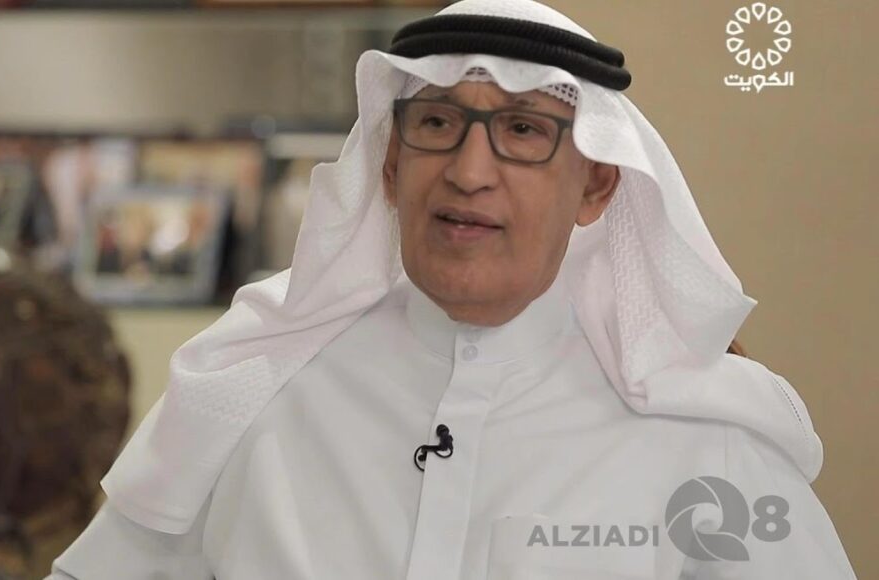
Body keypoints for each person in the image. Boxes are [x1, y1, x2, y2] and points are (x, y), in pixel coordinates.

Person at [48, 0, 858, 578]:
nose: (470, 173)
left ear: (597, 186)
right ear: (392, 165)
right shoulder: (250, 388)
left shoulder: (706, 437)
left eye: (523, 130)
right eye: (437, 124)